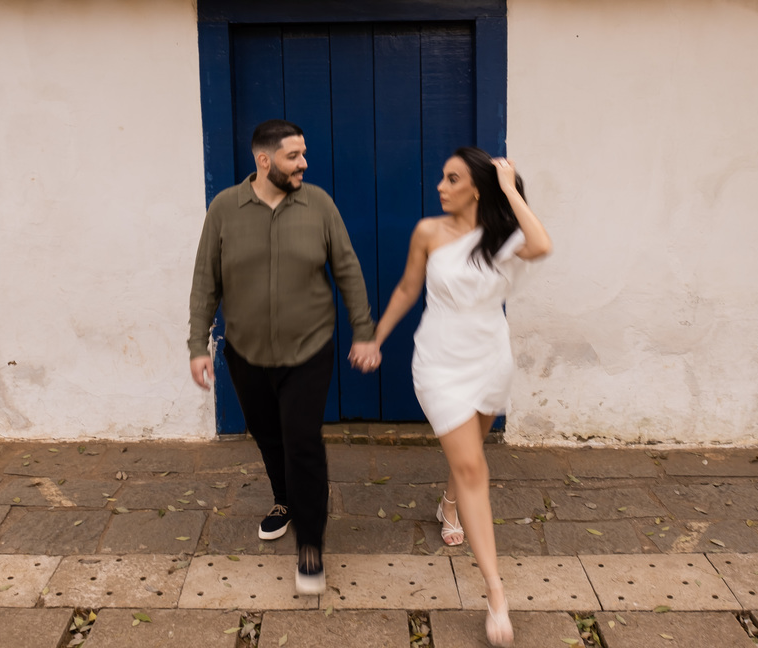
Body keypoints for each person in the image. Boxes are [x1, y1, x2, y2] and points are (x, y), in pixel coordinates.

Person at [357, 147, 551, 647]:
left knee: (469, 457)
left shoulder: (503, 238)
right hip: (439, 361)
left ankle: (449, 505)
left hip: (489, 358)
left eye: (452, 178)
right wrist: (375, 338)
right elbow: (406, 288)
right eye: (442, 177)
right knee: (472, 467)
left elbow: (543, 244)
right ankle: (495, 593)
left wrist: (509, 189)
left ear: (477, 188)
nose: (441, 186)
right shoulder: (428, 231)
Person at [187, 119, 380, 595]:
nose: (304, 164)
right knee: (269, 436)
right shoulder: (225, 209)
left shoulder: (318, 205)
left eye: (304, 154)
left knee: (302, 441)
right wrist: (198, 345)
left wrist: (364, 332)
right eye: (294, 156)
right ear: (264, 160)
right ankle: (283, 500)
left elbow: (348, 269)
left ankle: (310, 545)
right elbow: (205, 280)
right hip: (246, 353)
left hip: (308, 350)